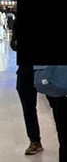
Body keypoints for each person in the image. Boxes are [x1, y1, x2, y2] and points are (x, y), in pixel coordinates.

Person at [10, 18, 44, 155]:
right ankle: (34, 140)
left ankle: (66, 141)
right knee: (28, 106)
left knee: (57, 104)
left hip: (47, 71)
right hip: (25, 70)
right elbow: (13, 44)